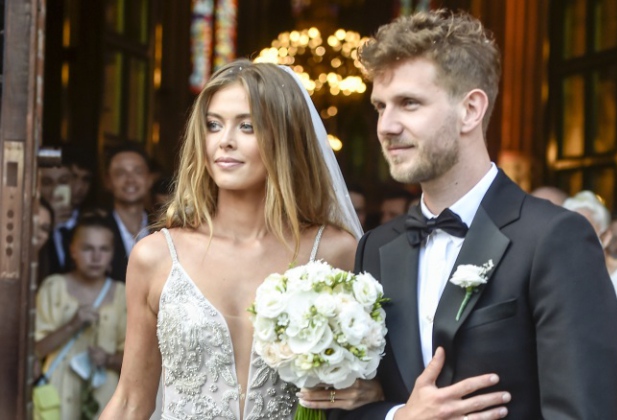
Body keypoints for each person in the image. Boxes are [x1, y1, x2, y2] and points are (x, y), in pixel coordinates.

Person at [329, 9, 617, 419]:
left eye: (409, 103)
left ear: (470, 109)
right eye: (380, 106)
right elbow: (352, 408)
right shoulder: (376, 247)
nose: (386, 126)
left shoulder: (555, 238)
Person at [101, 60, 380, 419]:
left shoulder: (333, 252)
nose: (225, 141)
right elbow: (130, 401)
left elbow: (368, 384)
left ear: (285, 137)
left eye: (247, 126)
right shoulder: (156, 256)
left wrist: (371, 391)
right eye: (213, 125)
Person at [35, 212, 126, 419]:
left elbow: (136, 357)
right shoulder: (53, 287)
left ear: (113, 253)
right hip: (58, 396)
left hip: (104, 399)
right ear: (72, 250)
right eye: (87, 248)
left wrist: (108, 359)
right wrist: (72, 325)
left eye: (104, 249)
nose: (96, 257)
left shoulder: (122, 294)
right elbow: (35, 350)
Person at [104, 143, 153, 282]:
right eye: (120, 173)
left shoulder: (164, 228)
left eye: (138, 172)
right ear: (108, 181)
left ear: (149, 179)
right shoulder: (99, 229)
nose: (130, 180)